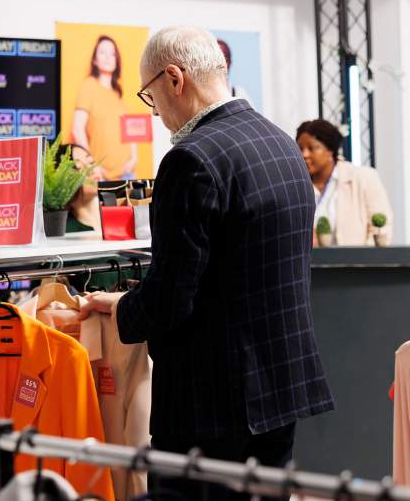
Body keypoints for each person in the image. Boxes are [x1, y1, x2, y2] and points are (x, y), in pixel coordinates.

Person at [80, 26, 334, 501]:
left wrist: (123, 308)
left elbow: (172, 298)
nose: (155, 115)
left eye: (151, 97)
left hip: (211, 402)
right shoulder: (281, 144)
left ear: (174, 79)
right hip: (280, 387)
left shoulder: (191, 161)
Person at [296, 119, 393, 246]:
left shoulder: (364, 178)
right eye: (300, 148)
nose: (304, 154)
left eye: (312, 148)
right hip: (310, 264)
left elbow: (382, 229)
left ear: (330, 150)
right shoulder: (295, 185)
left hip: (356, 264)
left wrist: (363, 262)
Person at [71, 35, 137, 180]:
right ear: (94, 60)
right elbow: (77, 129)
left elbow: (129, 130)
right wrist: (91, 165)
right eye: (102, 52)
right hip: (101, 175)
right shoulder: (88, 86)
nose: (107, 57)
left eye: (112, 53)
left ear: (116, 60)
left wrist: (133, 158)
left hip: (127, 173)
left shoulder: (117, 93)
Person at [57, 143, 101, 234]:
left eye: (91, 162)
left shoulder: (121, 215)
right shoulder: (66, 233)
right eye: (80, 167)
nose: (91, 169)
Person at [216, 38, 253, 103]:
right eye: (217, 59)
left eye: (225, 59)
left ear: (230, 63)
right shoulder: (200, 95)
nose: (220, 64)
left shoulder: (239, 94)